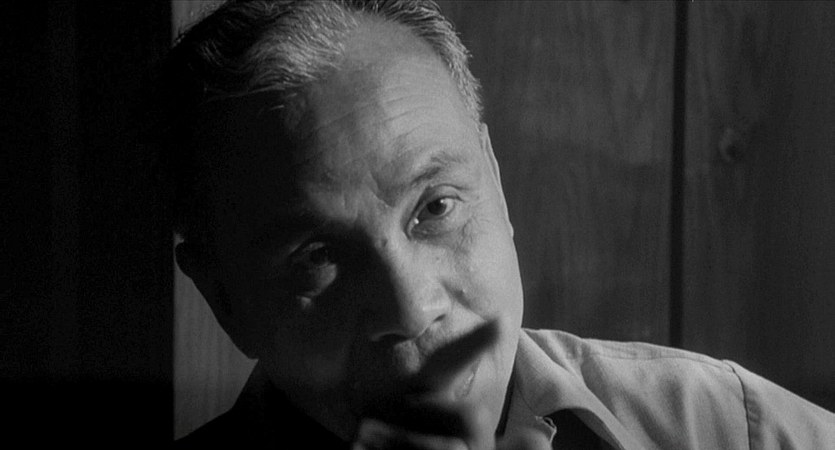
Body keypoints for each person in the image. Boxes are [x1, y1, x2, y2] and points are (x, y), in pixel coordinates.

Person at [156, 1, 835, 448]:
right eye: (315, 256)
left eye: (435, 208)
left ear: (496, 187)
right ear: (222, 298)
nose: (410, 308)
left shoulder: (726, 427)